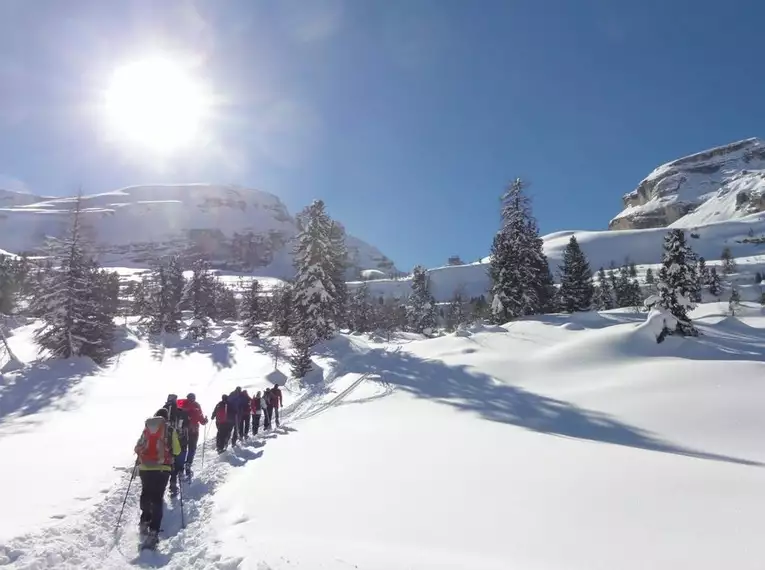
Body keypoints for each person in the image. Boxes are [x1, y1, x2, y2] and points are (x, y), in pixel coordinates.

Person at [134, 408, 181, 549]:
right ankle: (153, 532)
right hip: (162, 468)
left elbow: (139, 446)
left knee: (146, 492)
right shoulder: (169, 429)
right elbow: (177, 450)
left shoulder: (147, 428)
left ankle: (144, 520)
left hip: (145, 467)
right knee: (157, 497)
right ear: (166, 418)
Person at [163, 394, 190, 496]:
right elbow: (187, 425)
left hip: (164, 443)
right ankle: (174, 483)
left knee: (167, 464)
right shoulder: (181, 412)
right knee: (177, 462)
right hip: (180, 441)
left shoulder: (161, 411)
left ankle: (162, 487)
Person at [177, 393, 207, 478]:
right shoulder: (196, 405)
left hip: (183, 431)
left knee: (183, 449)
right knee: (192, 448)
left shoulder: (182, 405)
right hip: (194, 431)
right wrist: (205, 420)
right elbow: (202, 420)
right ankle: (188, 464)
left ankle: (180, 467)